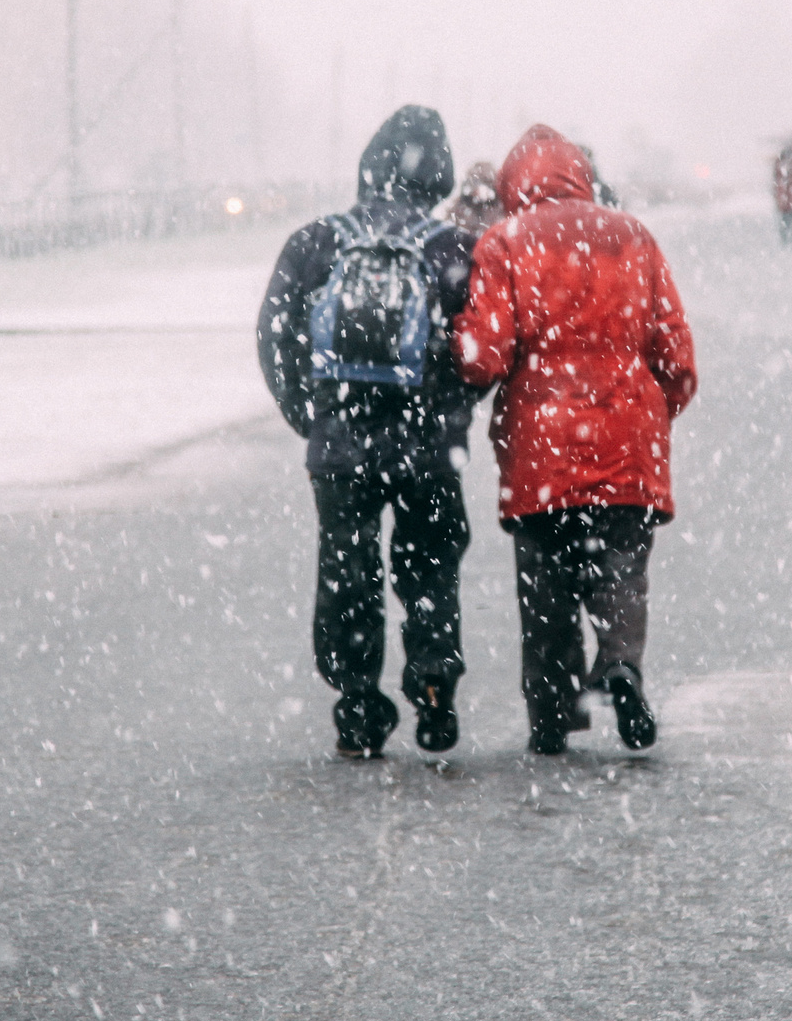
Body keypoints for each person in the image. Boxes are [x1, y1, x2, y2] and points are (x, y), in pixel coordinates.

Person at [453, 125, 698, 755]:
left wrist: (456, 345)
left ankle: (553, 714)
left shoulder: (504, 241)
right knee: (622, 570)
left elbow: (484, 357)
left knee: (546, 588)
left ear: (513, 184)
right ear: (579, 175)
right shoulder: (634, 236)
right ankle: (621, 663)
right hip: (629, 438)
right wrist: (648, 416)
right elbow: (676, 356)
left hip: (542, 450)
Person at [257, 106, 483, 759]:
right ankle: (433, 681)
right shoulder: (455, 249)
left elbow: (274, 335)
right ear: (438, 174)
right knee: (430, 566)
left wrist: (311, 413)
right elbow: (483, 348)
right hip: (427, 447)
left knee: (347, 570)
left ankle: (357, 703)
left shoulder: (315, 241)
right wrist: (450, 411)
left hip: (341, 445)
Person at [445, 159, 503, 233]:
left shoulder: (498, 211)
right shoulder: (458, 209)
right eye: (476, 182)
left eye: (485, 182)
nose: (480, 189)